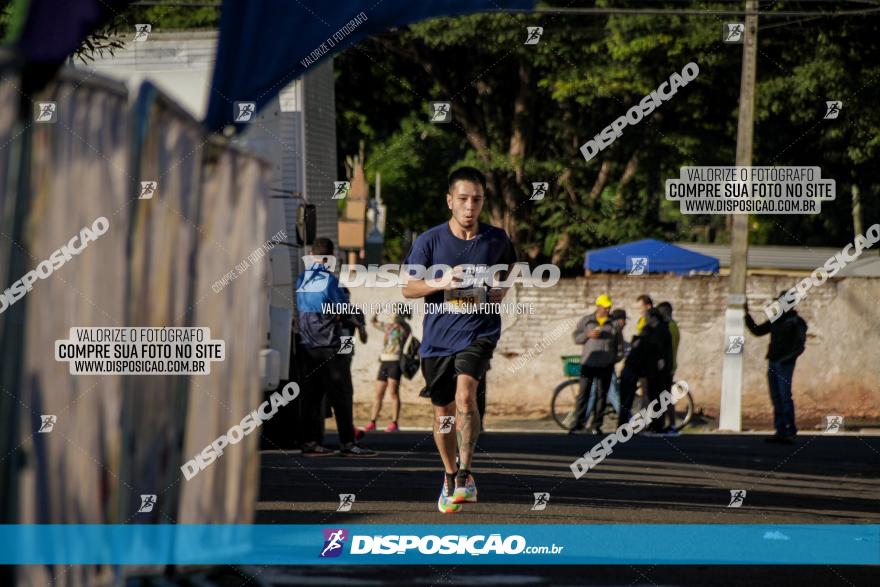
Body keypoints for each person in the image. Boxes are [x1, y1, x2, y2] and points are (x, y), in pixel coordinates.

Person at [402, 166, 516, 513]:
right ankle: (449, 475)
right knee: (443, 413)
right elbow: (408, 288)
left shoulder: (496, 239)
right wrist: (441, 282)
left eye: (477, 200)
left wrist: (500, 289)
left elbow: (510, 267)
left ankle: (466, 475)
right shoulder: (429, 241)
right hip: (437, 340)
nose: (470, 207)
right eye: (464, 199)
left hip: (479, 332)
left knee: (466, 396)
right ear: (450, 201)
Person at [295, 238, 376, 457]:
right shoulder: (331, 282)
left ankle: (310, 444)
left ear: (311, 254)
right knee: (342, 395)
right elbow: (343, 309)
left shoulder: (301, 279)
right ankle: (348, 444)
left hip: (306, 346)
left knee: (311, 397)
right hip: (329, 347)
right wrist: (358, 322)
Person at [744, 293, 808, 444]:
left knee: (785, 397)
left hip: (784, 364)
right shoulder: (776, 320)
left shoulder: (796, 322)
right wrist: (746, 314)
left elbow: (800, 345)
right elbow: (757, 331)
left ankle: (789, 430)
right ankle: (781, 430)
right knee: (776, 397)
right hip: (773, 362)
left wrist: (786, 359)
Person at [571, 294, 624, 434]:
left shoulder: (614, 324)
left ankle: (596, 425)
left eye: (609, 307)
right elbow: (576, 338)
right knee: (583, 394)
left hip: (606, 365)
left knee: (602, 395)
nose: (607, 309)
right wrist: (587, 335)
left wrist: (614, 359)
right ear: (598, 306)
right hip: (588, 364)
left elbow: (620, 345)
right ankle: (577, 425)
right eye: (605, 307)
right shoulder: (587, 321)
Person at [365, 310, 412, 432]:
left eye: (396, 312)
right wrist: (377, 312)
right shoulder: (388, 326)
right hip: (384, 362)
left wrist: (399, 316)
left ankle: (394, 422)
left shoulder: (405, 327)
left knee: (393, 393)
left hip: (395, 362)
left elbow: (403, 323)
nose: (393, 314)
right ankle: (373, 421)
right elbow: (373, 322)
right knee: (378, 394)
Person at [656, 301, 680, 433]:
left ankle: (671, 425)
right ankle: (671, 424)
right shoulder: (673, 326)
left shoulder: (669, 327)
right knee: (666, 396)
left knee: (665, 397)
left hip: (668, 366)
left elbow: (667, 348)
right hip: (670, 365)